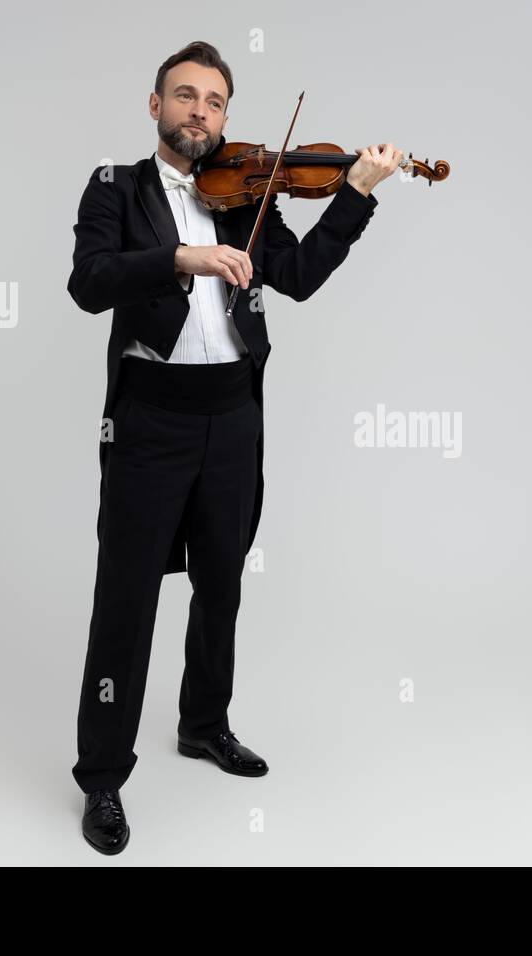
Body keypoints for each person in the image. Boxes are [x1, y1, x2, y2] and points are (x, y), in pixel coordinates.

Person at [67, 40, 401, 855]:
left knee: (221, 582)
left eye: (214, 102)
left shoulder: (244, 192)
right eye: (185, 97)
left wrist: (354, 193)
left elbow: (296, 276)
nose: (200, 113)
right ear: (156, 106)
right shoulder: (116, 188)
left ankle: (204, 725)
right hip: (151, 417)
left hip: (233, 414)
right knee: (127, 598)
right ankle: (103, 775)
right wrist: (179, 259)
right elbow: (89, 282)